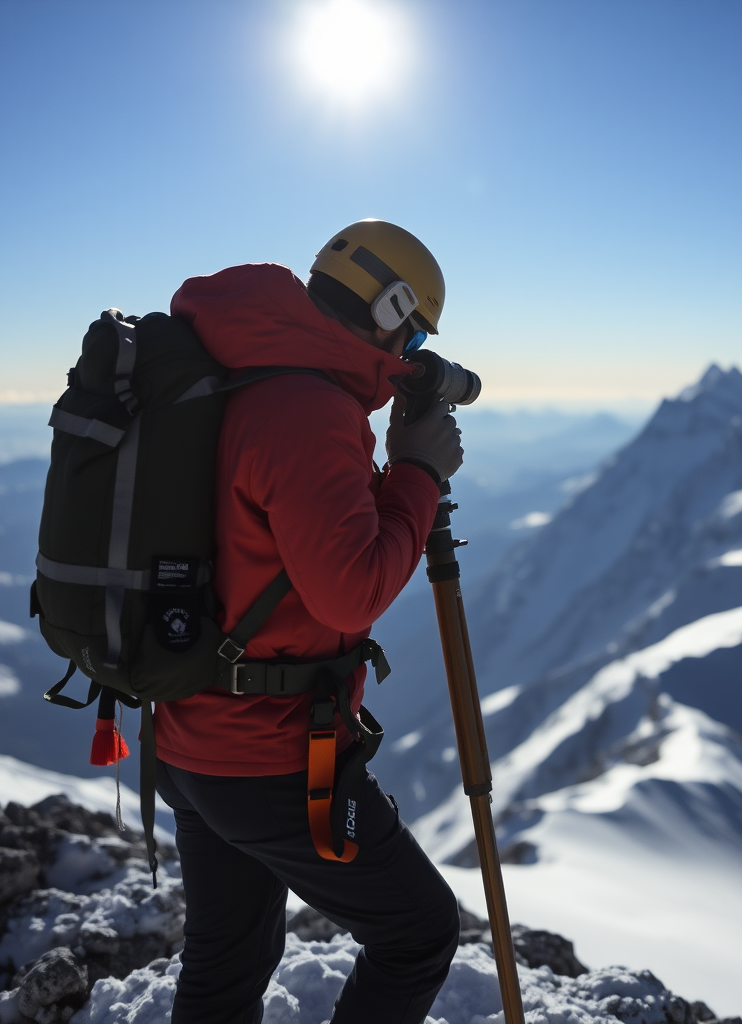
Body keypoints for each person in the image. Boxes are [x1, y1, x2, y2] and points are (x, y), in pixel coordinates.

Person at [152, 220, 464, 1024]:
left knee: (230, 963)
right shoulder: (308, 409)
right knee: (419, 934)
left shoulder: (247, 366)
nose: (414, 348)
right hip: (267, 752)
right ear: (392, 309)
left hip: (192, 733)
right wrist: (418, 473)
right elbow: (350, 593)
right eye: (417, 327)